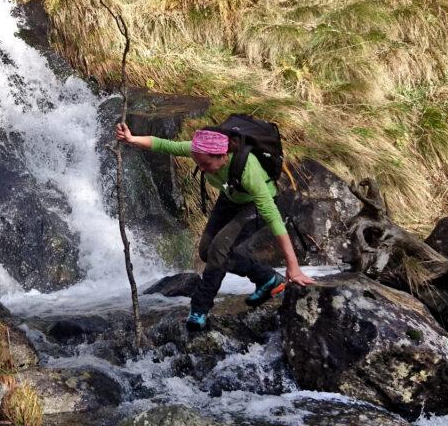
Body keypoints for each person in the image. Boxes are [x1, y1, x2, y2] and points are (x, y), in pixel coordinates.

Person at [116, 122, 314, 331]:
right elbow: (165, 145)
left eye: (205, 165)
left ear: (223, 156)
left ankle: (199, 308)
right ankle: (267, 278)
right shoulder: (199, 150)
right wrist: (132, 139)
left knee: (219, 249)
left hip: (255, 204)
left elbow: (273, 217)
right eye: (198, 163)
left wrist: (293, 266)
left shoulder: (248, 169)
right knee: (205, 252)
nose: (201, 168)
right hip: (230, 197)